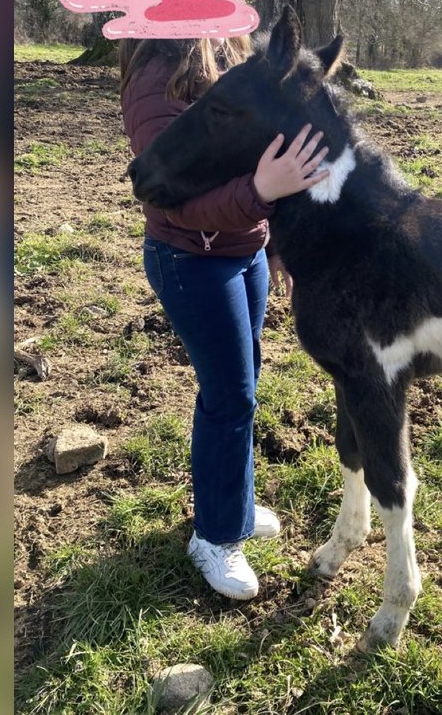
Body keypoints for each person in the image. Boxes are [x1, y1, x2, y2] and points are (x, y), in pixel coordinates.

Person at [118, 36, 329, 600]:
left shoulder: (229, 55)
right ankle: (213, 536)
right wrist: (262, 191)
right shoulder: (155, 77)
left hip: (244, 248)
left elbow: (265, 146)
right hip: (191, 259)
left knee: (239, 386)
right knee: (230, 395)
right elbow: (168, 197)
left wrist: (273, 239)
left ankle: (229, 503)